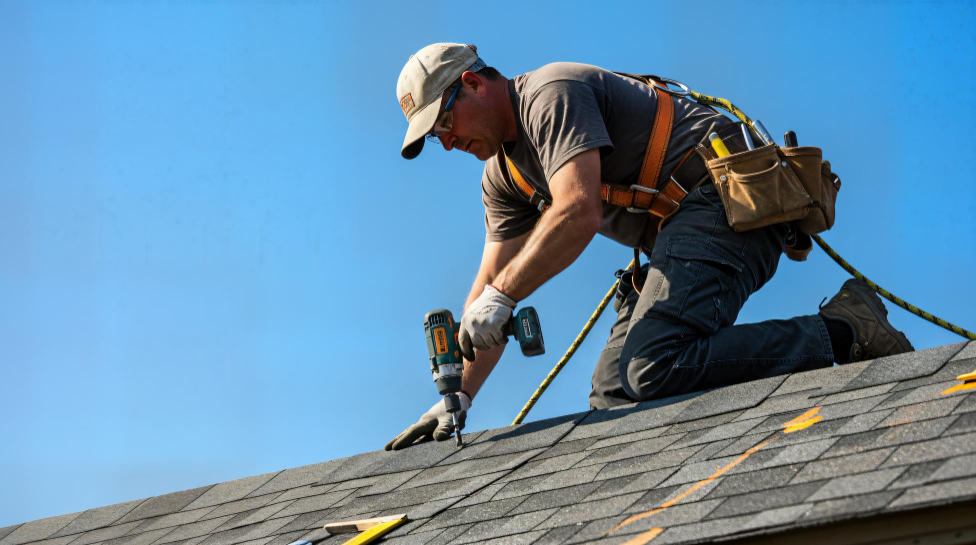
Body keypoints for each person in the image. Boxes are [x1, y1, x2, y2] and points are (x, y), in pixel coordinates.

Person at [385, 43, 913, 451]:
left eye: (444, 124)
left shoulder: (551, 95)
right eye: (436, 137)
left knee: (651, 363)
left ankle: (844, 329)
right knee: (614, 395)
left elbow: (577, 211)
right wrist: (458, 395)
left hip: (725, 201)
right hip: (680, 231)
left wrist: (500, 296)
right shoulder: (502, 177)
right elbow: (489, 288)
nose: (447, 142)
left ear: (473, 83)